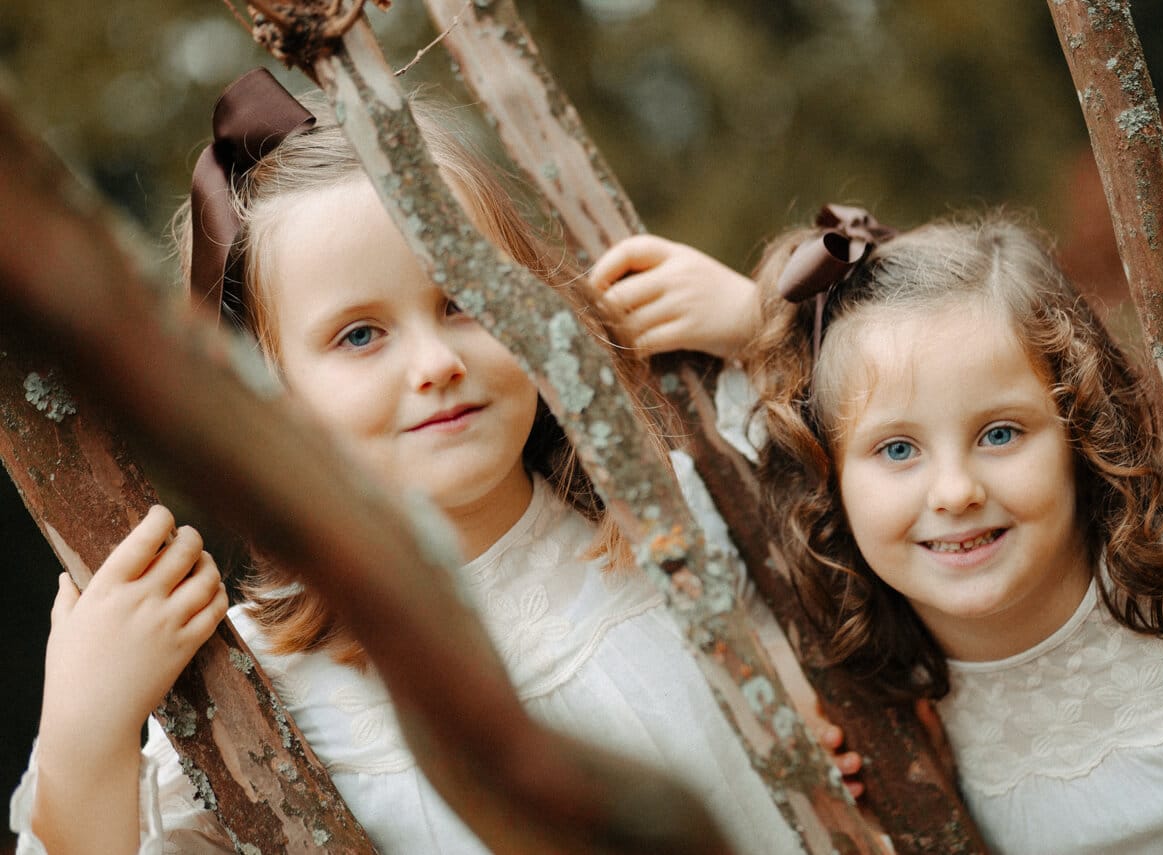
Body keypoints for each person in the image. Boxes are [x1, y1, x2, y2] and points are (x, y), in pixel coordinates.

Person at [10, 69, 807, 855]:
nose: (433, 363)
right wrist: (85, 741)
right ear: (263, 397)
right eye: (360, 335)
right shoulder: (255, 692)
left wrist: (767, 328)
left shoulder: (692, 516)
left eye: (461, 302)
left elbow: (900, 501)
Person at [592, 208, 1163, 853]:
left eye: (1001, 432)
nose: (955, 492)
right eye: (898, 450)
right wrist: (762, 322)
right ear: (828, 476)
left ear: (1080, 427)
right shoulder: (895, 701)